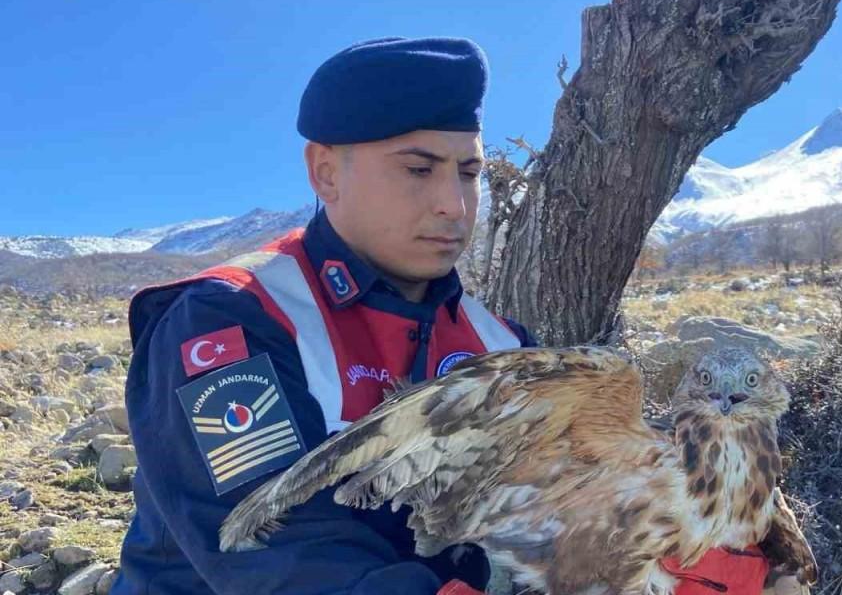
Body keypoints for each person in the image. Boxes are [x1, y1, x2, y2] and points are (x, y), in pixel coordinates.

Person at [112, 37, 531, 595]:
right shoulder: (227, 318)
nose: (453, 205)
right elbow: (276, 547)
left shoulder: (501, 344)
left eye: (468, 172)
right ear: (326, 173)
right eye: (418, 169)